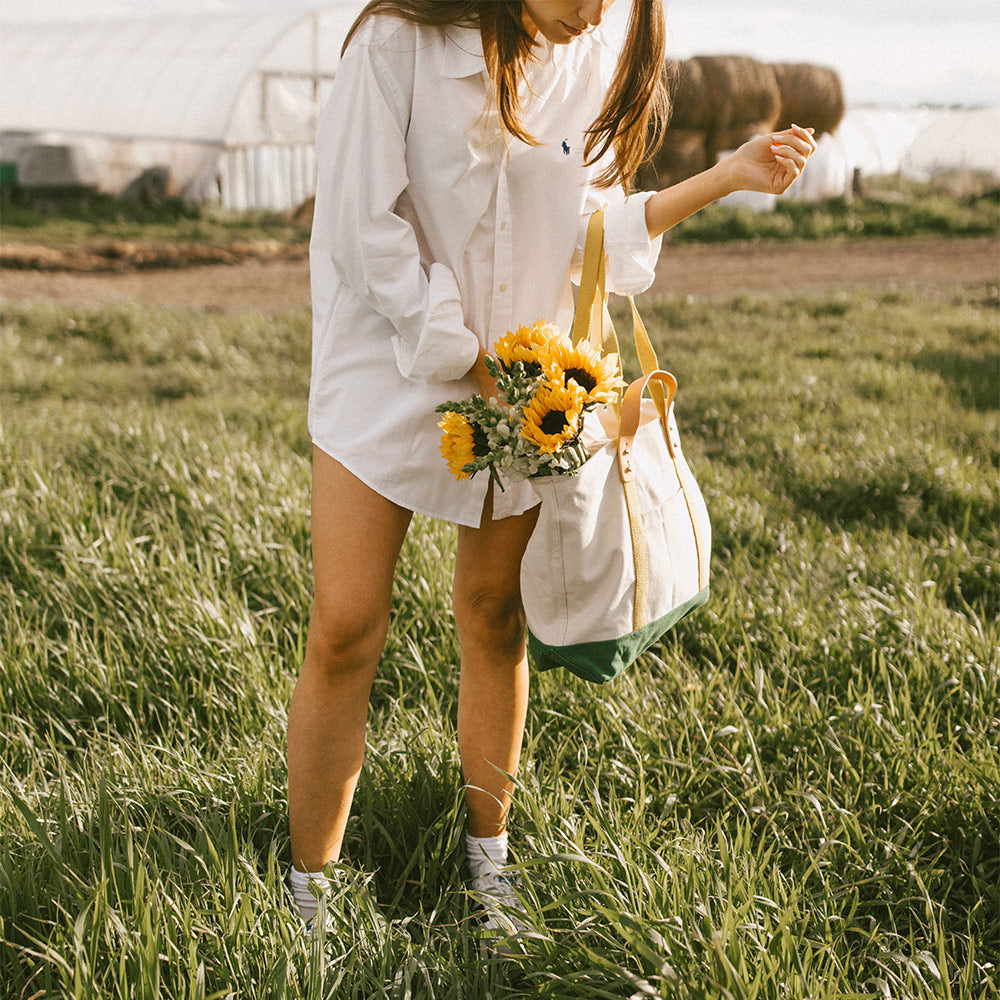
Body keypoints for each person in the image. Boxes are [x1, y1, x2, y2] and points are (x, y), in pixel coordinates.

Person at [287, 0, 815, 935]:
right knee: (344, 626)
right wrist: (470, 355)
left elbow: (589, 234)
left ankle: (490, 870)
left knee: (495, 618)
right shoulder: (394, 45)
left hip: (523, 383)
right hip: (388, 365)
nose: (597, 11)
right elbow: (366, 233)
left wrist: (725, 177)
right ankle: (309, 892)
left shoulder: (591, 54)